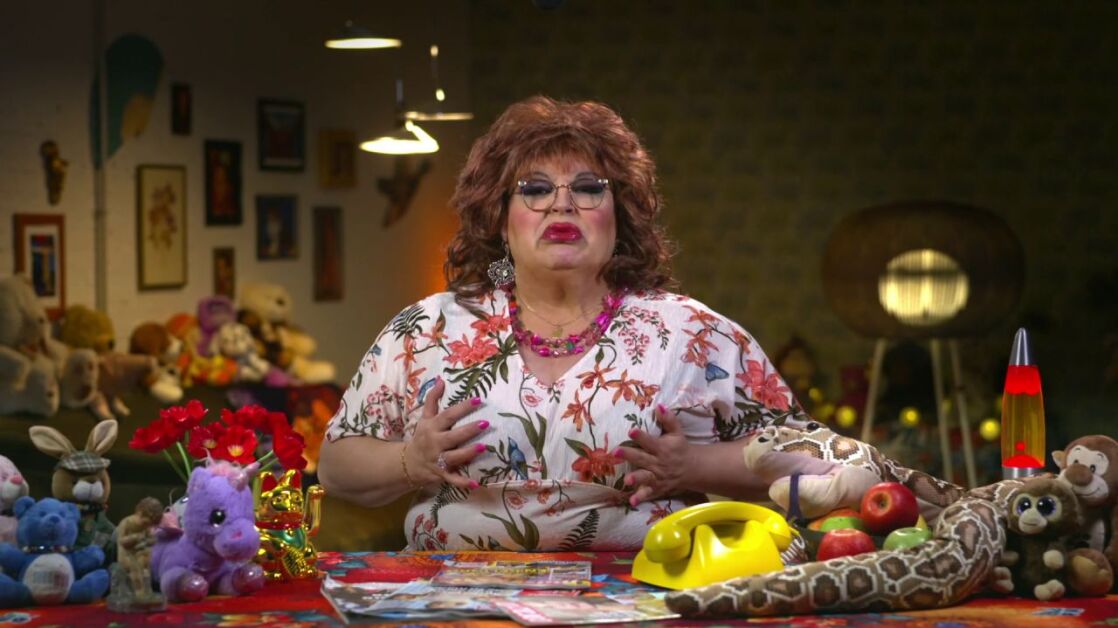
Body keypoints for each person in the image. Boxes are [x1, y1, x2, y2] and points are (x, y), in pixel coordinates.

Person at [318, 96, 810, 551]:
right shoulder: (427, 328)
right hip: (450, 599)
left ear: (619, 217)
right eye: (534, 189)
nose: (562, 204)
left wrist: (694, 465)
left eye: (588, 188)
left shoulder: (694, 332)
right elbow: (336, 468)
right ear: (499, 218)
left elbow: (809, 460)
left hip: (644, 591)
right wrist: (410, 460)